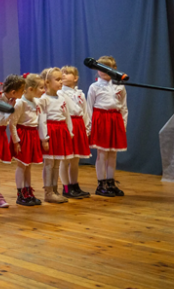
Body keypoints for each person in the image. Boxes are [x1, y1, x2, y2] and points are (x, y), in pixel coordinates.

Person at [86, 56, 127, 197]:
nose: (102, 71)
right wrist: (89, 127)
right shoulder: (94, 87)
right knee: (102, 154)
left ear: (113, 69)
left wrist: (123, 125)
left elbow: (124, 108)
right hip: (101, 120)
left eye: (106, 68)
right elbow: (89, 108)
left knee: (112, 154)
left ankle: (110, 183)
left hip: (115, 120)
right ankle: (101, 183)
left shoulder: (120, 86)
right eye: (100, 68)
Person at [0, 74, 26, 209]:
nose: (24, 92)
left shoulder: (10, 100)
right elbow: (1, 121)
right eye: (22, 90)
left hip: (1, 134)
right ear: (14, 92)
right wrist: (10, 110)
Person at [8, 73, 46, 207]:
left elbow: (39, 120)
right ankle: (20, 193)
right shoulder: (20, 103)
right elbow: (12, 123)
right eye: (41, 88)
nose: (43, 91)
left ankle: (28, 190)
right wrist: (16, 141)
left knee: (28, 165)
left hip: (32, 134)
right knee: (22, 165)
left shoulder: (36, 102)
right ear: (30, 89)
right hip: (23, 135)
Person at [39, 68, 73, 204]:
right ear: (47, 82)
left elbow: (67, 115)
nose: (61, 82)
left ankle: (55, 189)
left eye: (61, 79)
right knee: (49, 163)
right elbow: (41, 120)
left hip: (60, 131)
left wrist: (69, 131)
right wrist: (44, 138)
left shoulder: (62, 97)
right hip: (50, 131)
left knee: (57, 163)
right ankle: (48, 192)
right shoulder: (43, 99)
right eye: (58, 79)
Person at [58, 66, 91, 198]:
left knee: (75, 159)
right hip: (67, 124)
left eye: (67, 73)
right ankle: (66, 187)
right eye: (62, 74)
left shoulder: (80, 94)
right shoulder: (60, 93)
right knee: (65, 159)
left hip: (78, 125)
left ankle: (74, 185)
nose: (64, 75)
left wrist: (87, 128)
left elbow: (85, 112)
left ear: (75, 78)